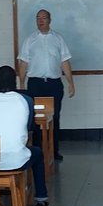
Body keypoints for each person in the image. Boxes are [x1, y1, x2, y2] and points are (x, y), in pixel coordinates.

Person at [0, 66, 52, 206]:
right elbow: (29, 125)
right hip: (19, 159)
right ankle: (41, 201)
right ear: (15, 82)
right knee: (37, 153)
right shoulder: (26, 100)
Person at [17, 9, 74, 161]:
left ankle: (54, 151)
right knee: (35, 119)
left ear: (50, 20)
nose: (40, 21)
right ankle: (37, 152)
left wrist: (71, 83)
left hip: (54, 84)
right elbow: (23, 63)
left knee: (54, 118)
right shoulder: (30, 40)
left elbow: (65, 62)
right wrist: (22, 84)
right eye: (38, 18)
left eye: (44, 18)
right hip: (35, 84)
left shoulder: (58, 39)